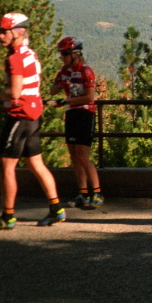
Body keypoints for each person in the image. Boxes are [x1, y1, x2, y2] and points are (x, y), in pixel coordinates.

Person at [0, 13, 66, 229]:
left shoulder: (15, 58)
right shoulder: (30, 54)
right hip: (35, 115)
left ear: (17, 32)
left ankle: (7, 216)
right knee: (36, 163)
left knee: (6, 166)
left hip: (19, 115)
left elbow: (14, 92)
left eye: (3, 31)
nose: (0, 36)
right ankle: (57, 209)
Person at [46, 36, 103, 209]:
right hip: (71, 114)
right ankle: (83, 194)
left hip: (85, 113)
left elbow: (90, 97)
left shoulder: (86, 71)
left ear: (76, 54)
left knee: (83, 156)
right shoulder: (63, 71)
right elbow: (53, 90)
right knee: (74, 156)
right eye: (61, 54)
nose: (62, 57)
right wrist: (60, 84)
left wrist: (67, 100)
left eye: (65, 53)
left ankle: (98, 193)